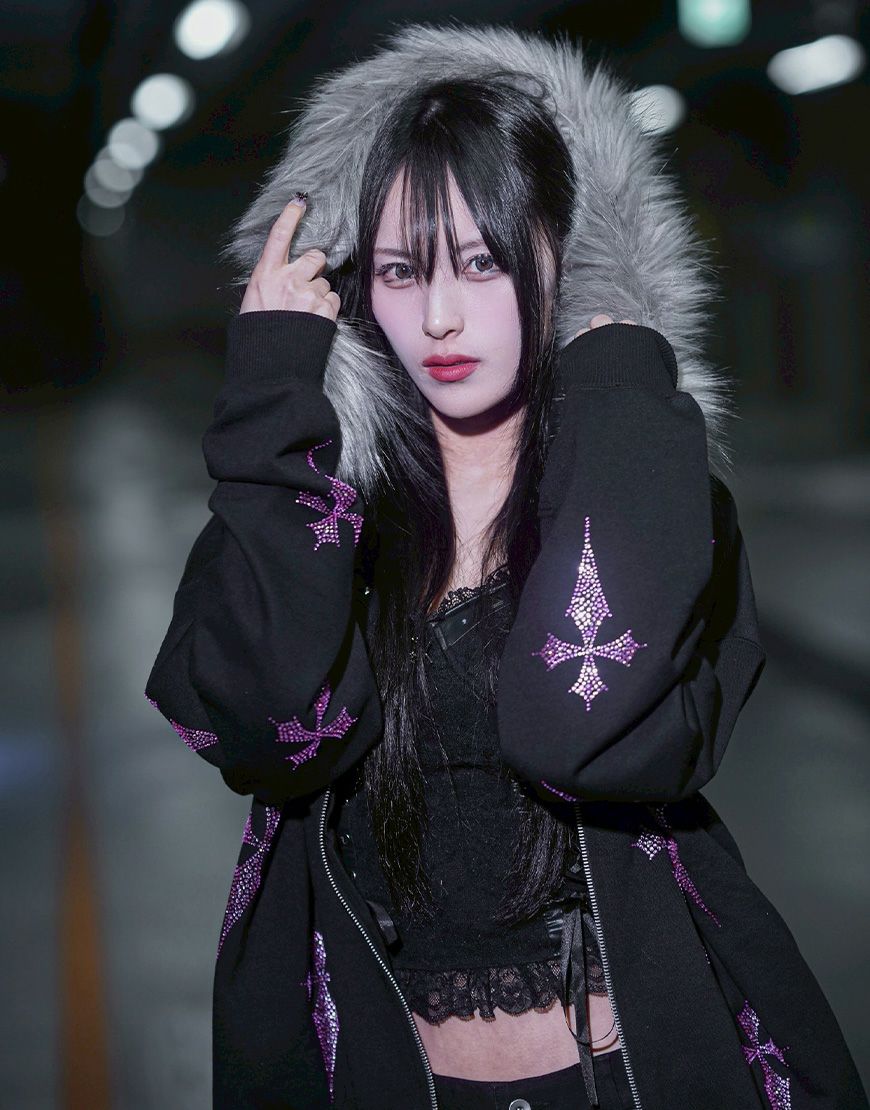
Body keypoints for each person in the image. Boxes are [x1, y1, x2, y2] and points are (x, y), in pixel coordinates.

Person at [144, 22, 869, 1110]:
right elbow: (264, 724)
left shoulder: (643, 482)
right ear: (353, 286)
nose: (439, 317)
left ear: (562, 257)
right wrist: (274, 404)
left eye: (483, 261)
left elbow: (581, 727)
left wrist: (618, 361)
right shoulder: (318, 508)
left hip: (632, 1074)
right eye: (401, 270)